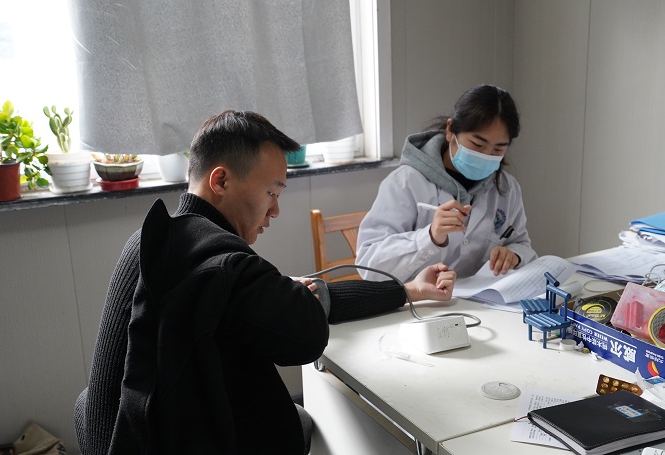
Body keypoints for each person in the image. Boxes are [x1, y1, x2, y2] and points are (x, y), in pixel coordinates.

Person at [78, 110, 456, 455]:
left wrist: (408, 290)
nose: (275, 210)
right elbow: (308, 334)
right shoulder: (223, 261)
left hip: (121, 437)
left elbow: (305, 300)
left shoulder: (156, 240)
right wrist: (291, 295)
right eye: (272, 193)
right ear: (220, 180)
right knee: (305, 420)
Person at [356, 84, 537, 283]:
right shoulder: (406, 182)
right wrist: (430, 237)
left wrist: (514, 255)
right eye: (477, 144)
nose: (485, 155)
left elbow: (521, 244)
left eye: (498, 150)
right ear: (450, 130)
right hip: (418, 299)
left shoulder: (506, 187)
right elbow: (368, 264)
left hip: (481, 298)